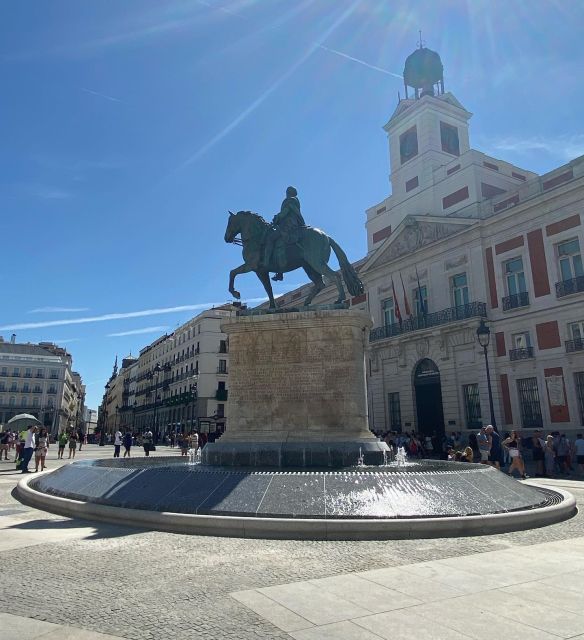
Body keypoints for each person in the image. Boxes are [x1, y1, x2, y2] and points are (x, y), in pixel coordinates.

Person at [261, 186, 306, 281]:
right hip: (293, 224)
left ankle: (266, 263)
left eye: (287, 192)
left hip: (288, 225)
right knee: (280, 243)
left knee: (270, 238)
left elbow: (285, 212)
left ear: (289, 193)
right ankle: (279, 272)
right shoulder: (296, 201)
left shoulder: (289, 200)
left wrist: (277, 217)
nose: (286, 194)